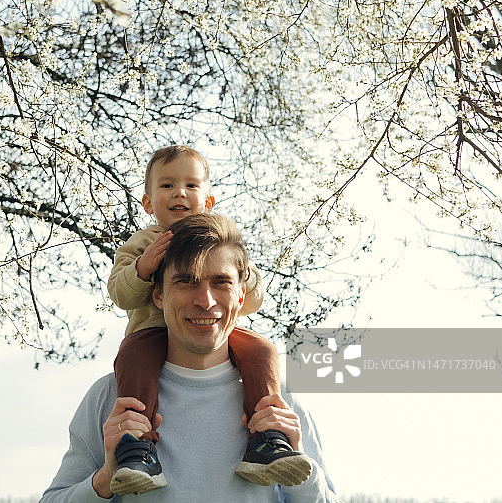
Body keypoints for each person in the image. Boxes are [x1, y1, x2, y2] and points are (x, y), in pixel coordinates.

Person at [40, 213, 338, 502]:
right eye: (186, 281)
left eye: (221, 282)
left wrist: (303, 470)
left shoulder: (279, 403)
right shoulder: (113, 398)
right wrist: (105, 479)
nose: (205, 300)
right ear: (158, 294)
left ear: (241, 295)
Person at [106, 145, 310, 495]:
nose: (179, 193)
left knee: (261, 350)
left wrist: (242, 273)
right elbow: (120, 292)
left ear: (209, 201)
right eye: (167, 186)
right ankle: (137, 446)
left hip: (220, 339)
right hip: (152, 336)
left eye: (191, 185)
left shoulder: (222, 241)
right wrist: (143, 268)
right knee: (132, 356)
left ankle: (266, 438)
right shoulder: (143, 243)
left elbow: (252, 299)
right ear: (149, 203)